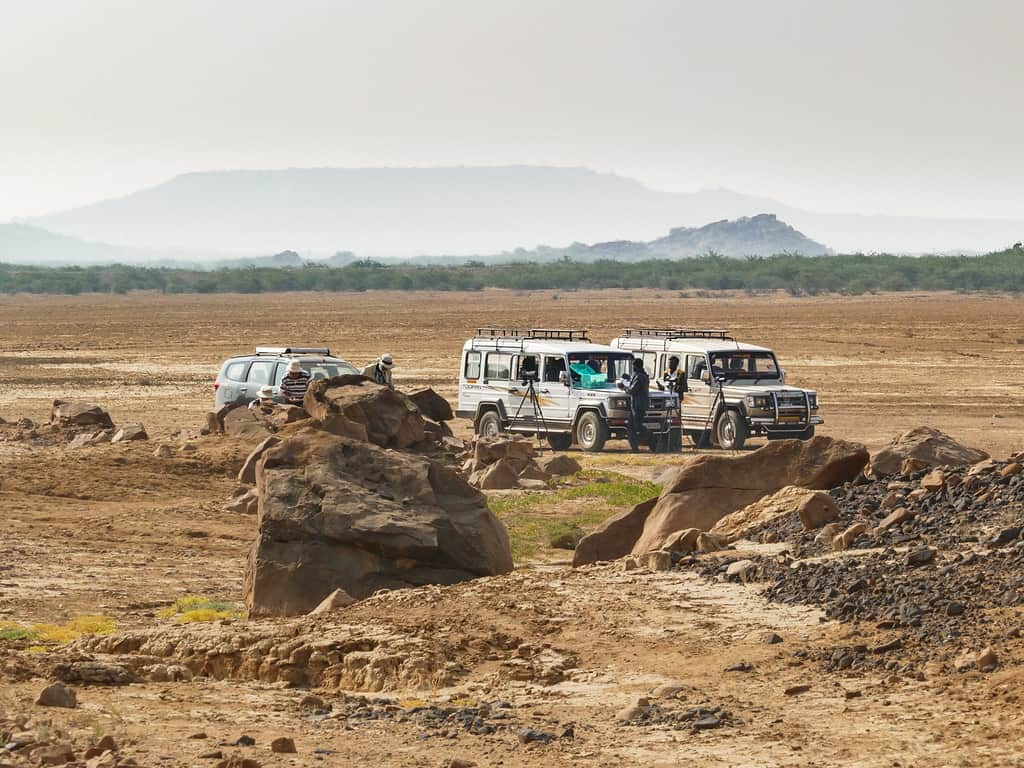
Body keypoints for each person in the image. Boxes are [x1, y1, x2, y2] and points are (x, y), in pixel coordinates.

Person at [618, 358, 650, 452]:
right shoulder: (642, 375)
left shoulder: (639, 377)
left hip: (638, 405)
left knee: (636, 427)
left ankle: (652, 440)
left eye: (633, 366)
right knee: (633, 427)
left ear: (636, 366)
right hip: (638, 405)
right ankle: (635, 448)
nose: (633, 368)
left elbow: (632, 390)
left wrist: (623, 387)